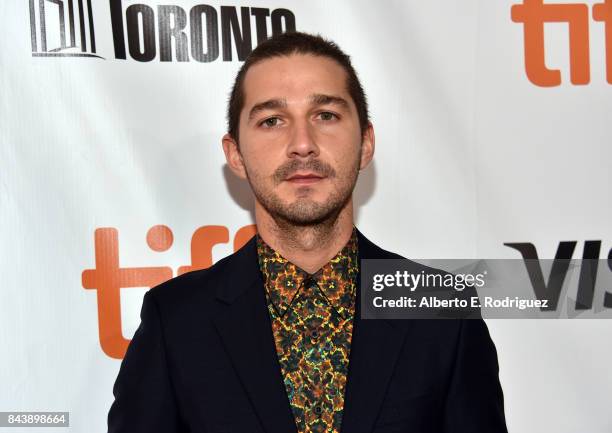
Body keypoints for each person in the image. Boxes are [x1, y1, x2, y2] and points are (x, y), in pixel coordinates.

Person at [107, 31, 507, 433]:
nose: (302, 144)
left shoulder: (442, 313)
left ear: (366, 143)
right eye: (272, 121)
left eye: (326, 115)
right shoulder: (176, 322)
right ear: (236, 155)